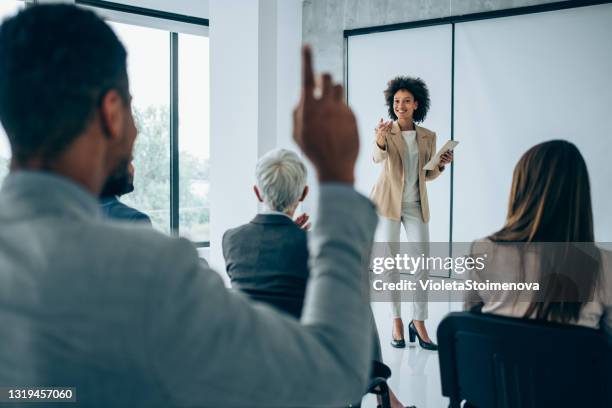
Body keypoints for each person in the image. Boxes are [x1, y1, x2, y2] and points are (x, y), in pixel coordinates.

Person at [0, 5, 377, 407]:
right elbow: (330, 377)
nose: (137, 128)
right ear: (111, 112)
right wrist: (338, 180)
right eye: (131, 105)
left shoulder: (226, 244)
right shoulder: (148, 274)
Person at [223, 148, 413, 408]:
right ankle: (384, 393)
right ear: (303, 194)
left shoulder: (231, 240)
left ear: (257, 192)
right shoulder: (316, 246)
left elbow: (266, 274)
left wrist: (293, 237)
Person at [464, 140, 611, 333]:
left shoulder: (482, 252)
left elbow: (469, 330)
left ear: (521, 190)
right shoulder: (606, 266)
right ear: (579, 196)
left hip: (501, 363)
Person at [370, 76, 453, 350]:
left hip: (416, 204)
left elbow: (426, 174)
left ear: (417, 104)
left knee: (422, 264)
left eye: (406, 101)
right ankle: (396, 321)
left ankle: (418, 322)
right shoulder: (386, 131)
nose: (400, 106)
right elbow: (377, 158)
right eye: (396, 101)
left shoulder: (427, 136)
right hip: (388, 204)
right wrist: (380, 140)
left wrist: (441, 164)